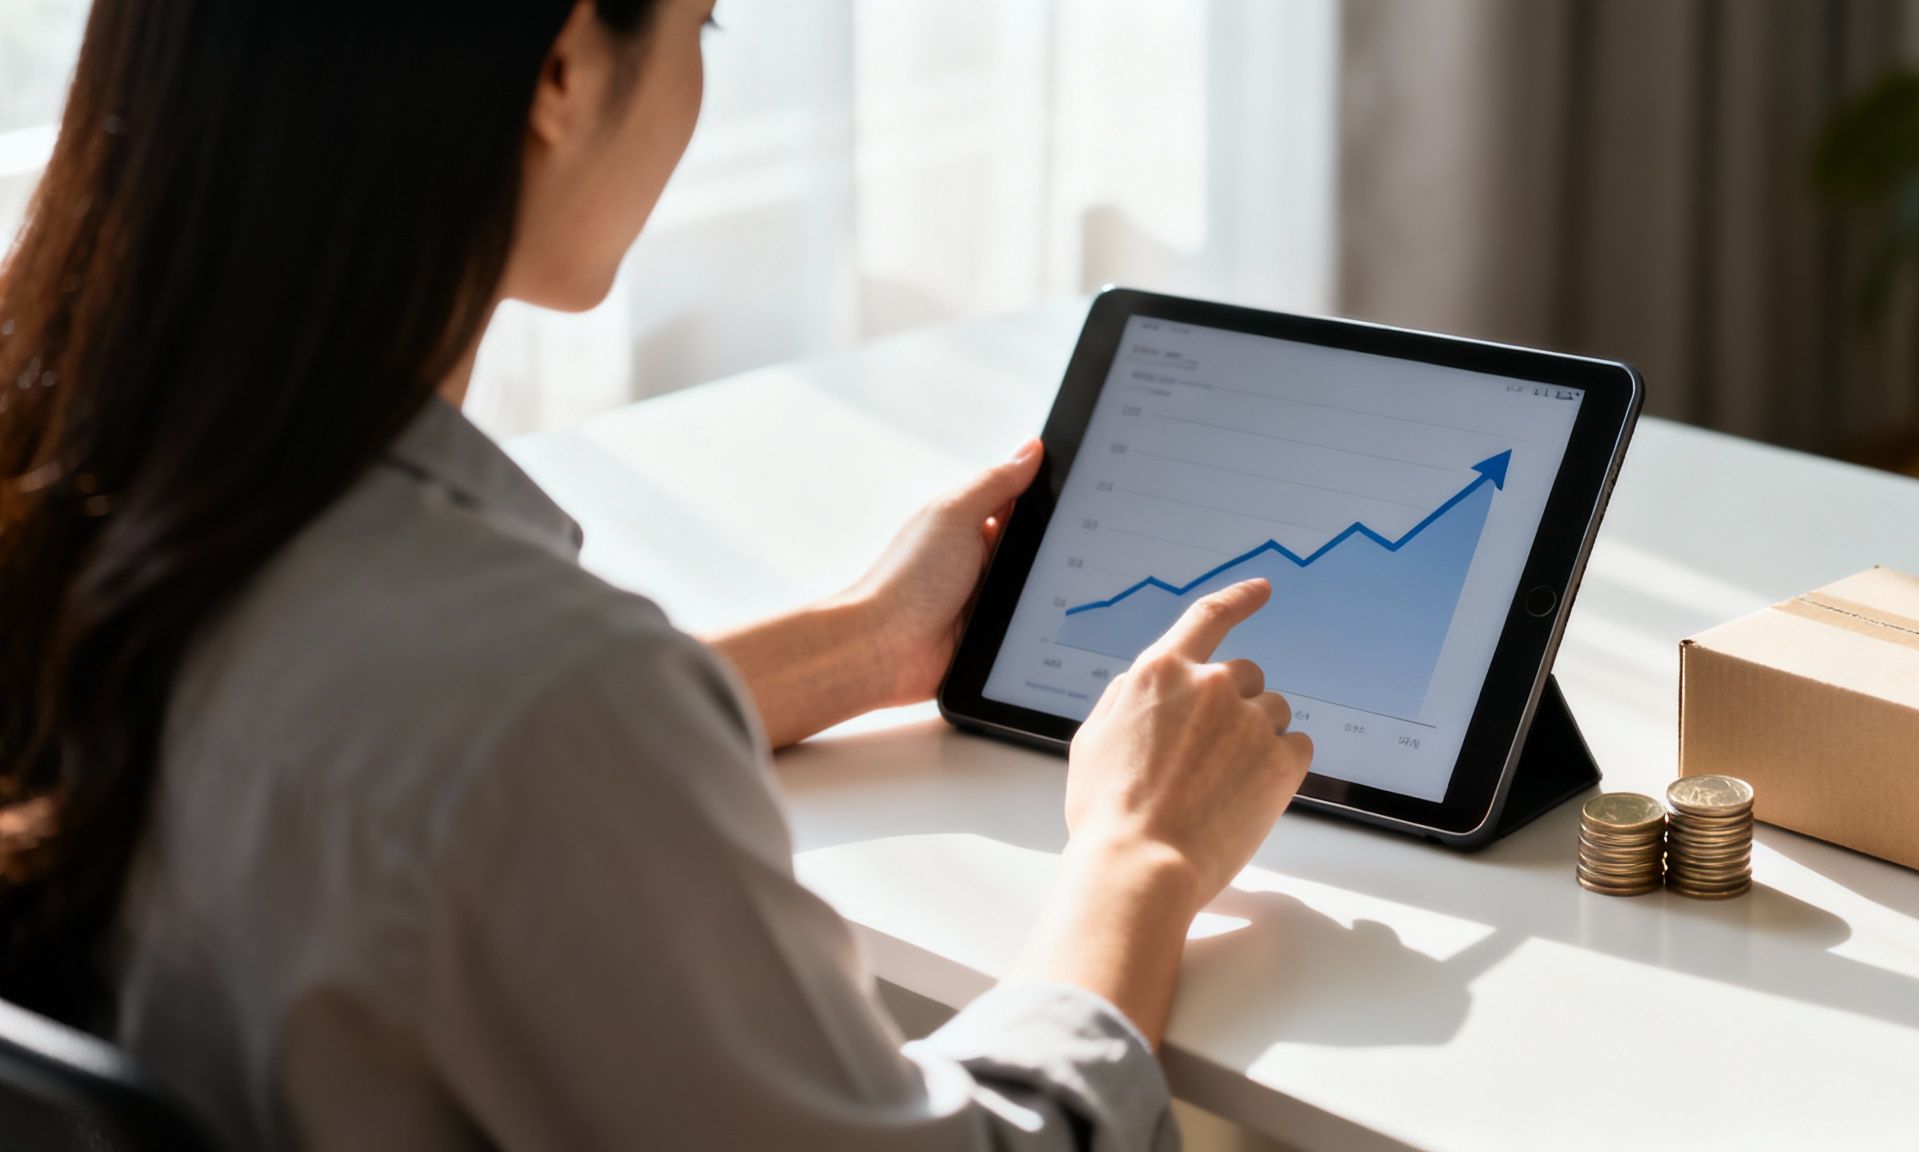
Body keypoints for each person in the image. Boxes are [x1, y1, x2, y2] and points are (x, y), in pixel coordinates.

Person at [0, 1, 1311, 1148]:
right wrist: (1136, 858)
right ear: (564, 68)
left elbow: (407, 762)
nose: (697, 76)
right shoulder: (535, 703)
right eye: (705, 23)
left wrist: (862, 642)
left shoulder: (77, 477)